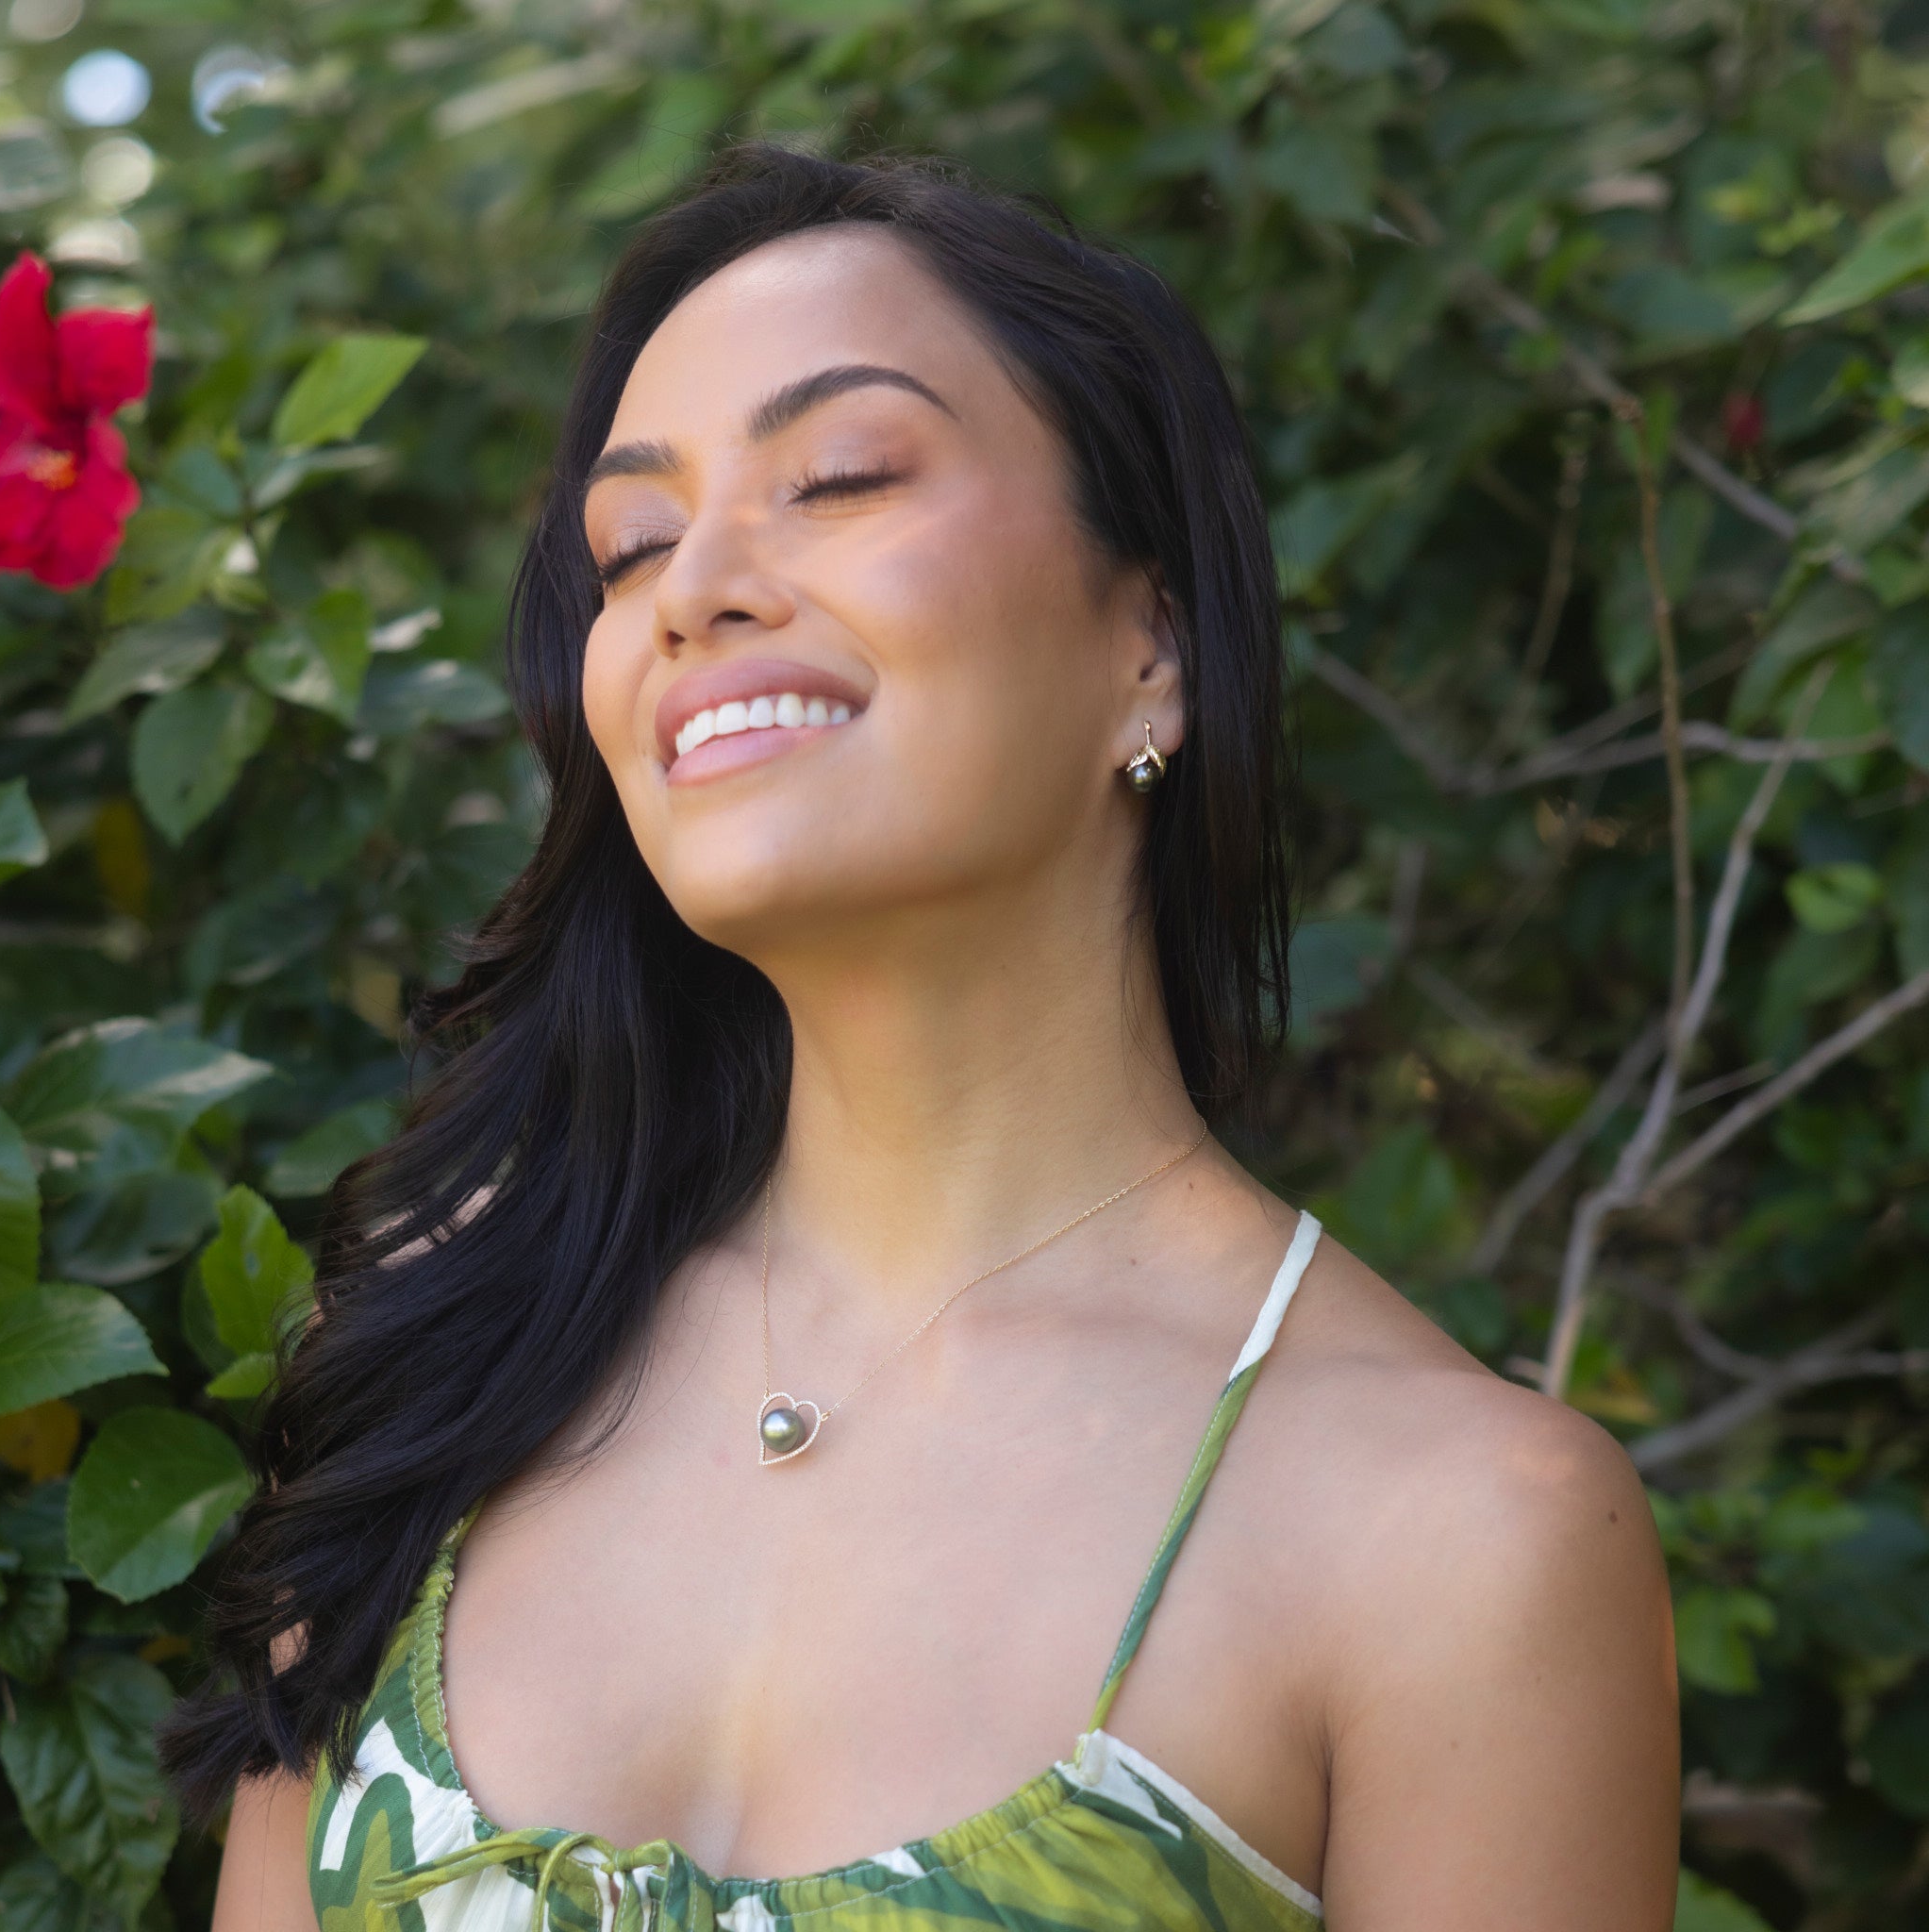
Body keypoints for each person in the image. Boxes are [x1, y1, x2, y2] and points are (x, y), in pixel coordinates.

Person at [172, 143, 1679, 1932]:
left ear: (1153, 641)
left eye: (839, 476)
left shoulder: (1463, 1537)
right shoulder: (439, 1363)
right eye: (632, 546)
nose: (692, 586)